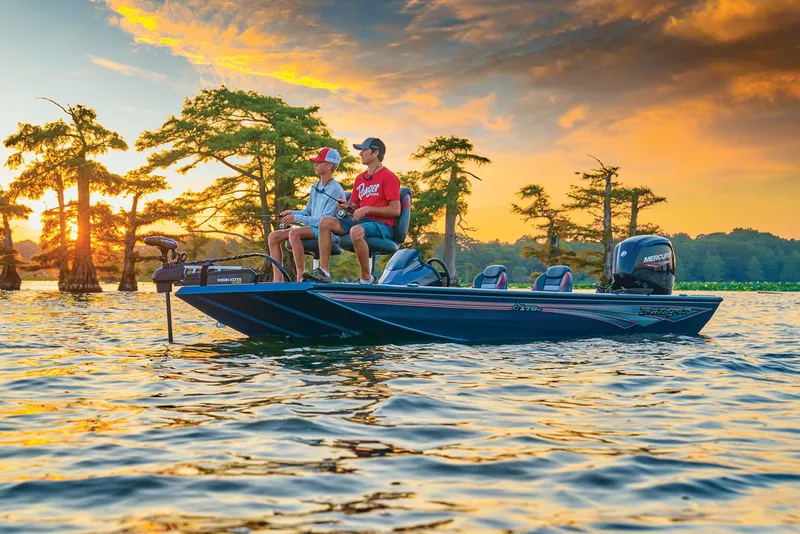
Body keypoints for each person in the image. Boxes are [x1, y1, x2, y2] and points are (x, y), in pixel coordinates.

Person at [304, 137, 400, 284]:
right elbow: (354, 206)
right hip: (361, 222)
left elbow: (395, 210)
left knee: (356, 231)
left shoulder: (389, 177)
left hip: (382, 226)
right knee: (325, 222)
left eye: (364, 150)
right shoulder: (360, 179)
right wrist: (347, 207)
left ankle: (367, 279)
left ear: (375, 153)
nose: (360, 153)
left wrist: (367, 209)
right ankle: (324, 272)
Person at [266, 147, 345, 282]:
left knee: (294, 233)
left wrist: (296, 218)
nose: (315, 165)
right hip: (313, 227)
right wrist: (292, 212)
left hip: (326, 232)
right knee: (273, 236)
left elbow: (323, 221)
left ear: (329, 166)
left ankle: (300, 277)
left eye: (319, 162)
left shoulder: (336, 189)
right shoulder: (315, 186)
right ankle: (277, 279)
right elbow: (308, 211)